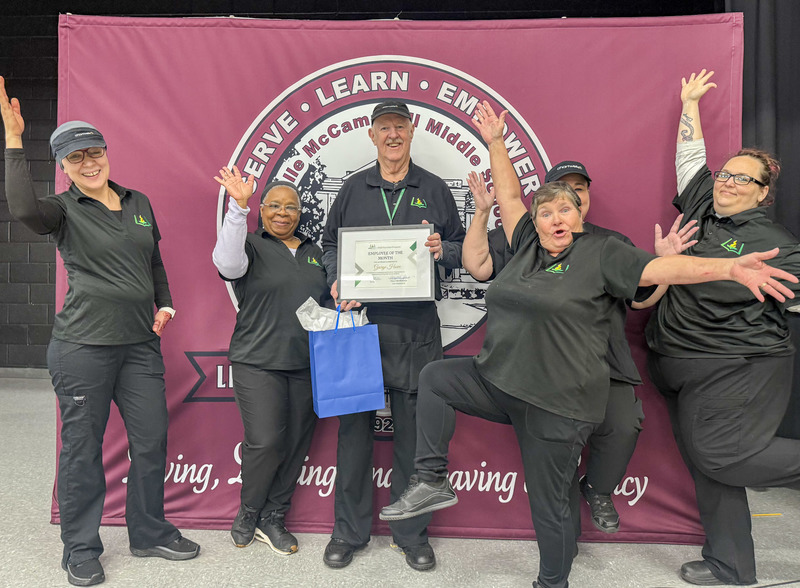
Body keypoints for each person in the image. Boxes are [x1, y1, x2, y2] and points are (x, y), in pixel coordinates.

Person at [378, 100, 796, 588]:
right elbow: (510, 196)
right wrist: (495, 142)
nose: (556, 217)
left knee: (549, 505)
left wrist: (726, 267)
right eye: (547, 210)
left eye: (567, 209)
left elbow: (660, 270)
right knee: (436, 377)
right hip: (501, 381)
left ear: (580, 217)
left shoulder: (603, 252)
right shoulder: (526, 244)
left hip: (558, 404)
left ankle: (551, 581)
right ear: (534, 220)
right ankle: (429, 480)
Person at [1, 76, 199, 587]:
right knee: (83, 450)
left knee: (151, 440)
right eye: (76, 159)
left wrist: (167, 304)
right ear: (63, 168)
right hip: (83, 348)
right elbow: (22, 209)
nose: (89, 164)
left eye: (94, 153)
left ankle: (149, 531)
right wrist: (14, 140)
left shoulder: (138, 202)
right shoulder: (62, 211)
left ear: (106, 153)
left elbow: (153, 259)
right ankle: (80, 548)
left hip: (138, 346)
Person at [463, 161, 699, 535]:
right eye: (558, 195)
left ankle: (598, 489)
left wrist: (665, 265)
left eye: (579, 190)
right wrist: (481, 212)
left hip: (605, 362)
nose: (568, 202)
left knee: (623, 425)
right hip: (541, 367)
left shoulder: (610, 244)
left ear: (582, 200)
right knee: (556, 454)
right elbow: (479, 264)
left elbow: (640, 301)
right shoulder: (529, 238)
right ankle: (563, 543)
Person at [645, 70, 800, 586]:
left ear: (763, 194)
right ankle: (729, 564)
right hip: (680, 361)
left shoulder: (774, 240)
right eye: (726, 174)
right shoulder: (702, 207)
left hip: (737, 366)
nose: (728, 181)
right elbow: (690, 160)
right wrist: (689, 105)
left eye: (743, 179)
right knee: (706, 466)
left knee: (722, 456)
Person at [319, 99, 466, 571]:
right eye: (384, 127)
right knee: (354, 434)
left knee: (414, 438)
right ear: (372, 134)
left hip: (417, 328)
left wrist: (444, 248)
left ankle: (411, 535)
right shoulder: (352, 189)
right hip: (361, 328)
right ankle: (348, 532)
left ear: (412, 129)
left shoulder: (437, 189)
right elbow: (328, 245)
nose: (392, 135)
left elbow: (464, 246)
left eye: (400, 126)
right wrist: (335, 279)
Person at [212, 170, 347, 555]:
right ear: (263, 212)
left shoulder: (317, 253)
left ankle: (274, 517)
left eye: (291, 206)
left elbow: (331, 299)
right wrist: (238, 207)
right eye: (274, 206)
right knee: (266, 440)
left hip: (308, 363)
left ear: (301, 212)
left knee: (295, 442)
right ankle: (248, 511)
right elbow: (226, 263)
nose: (283, 213)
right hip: (257, 360)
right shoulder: (249, 246)